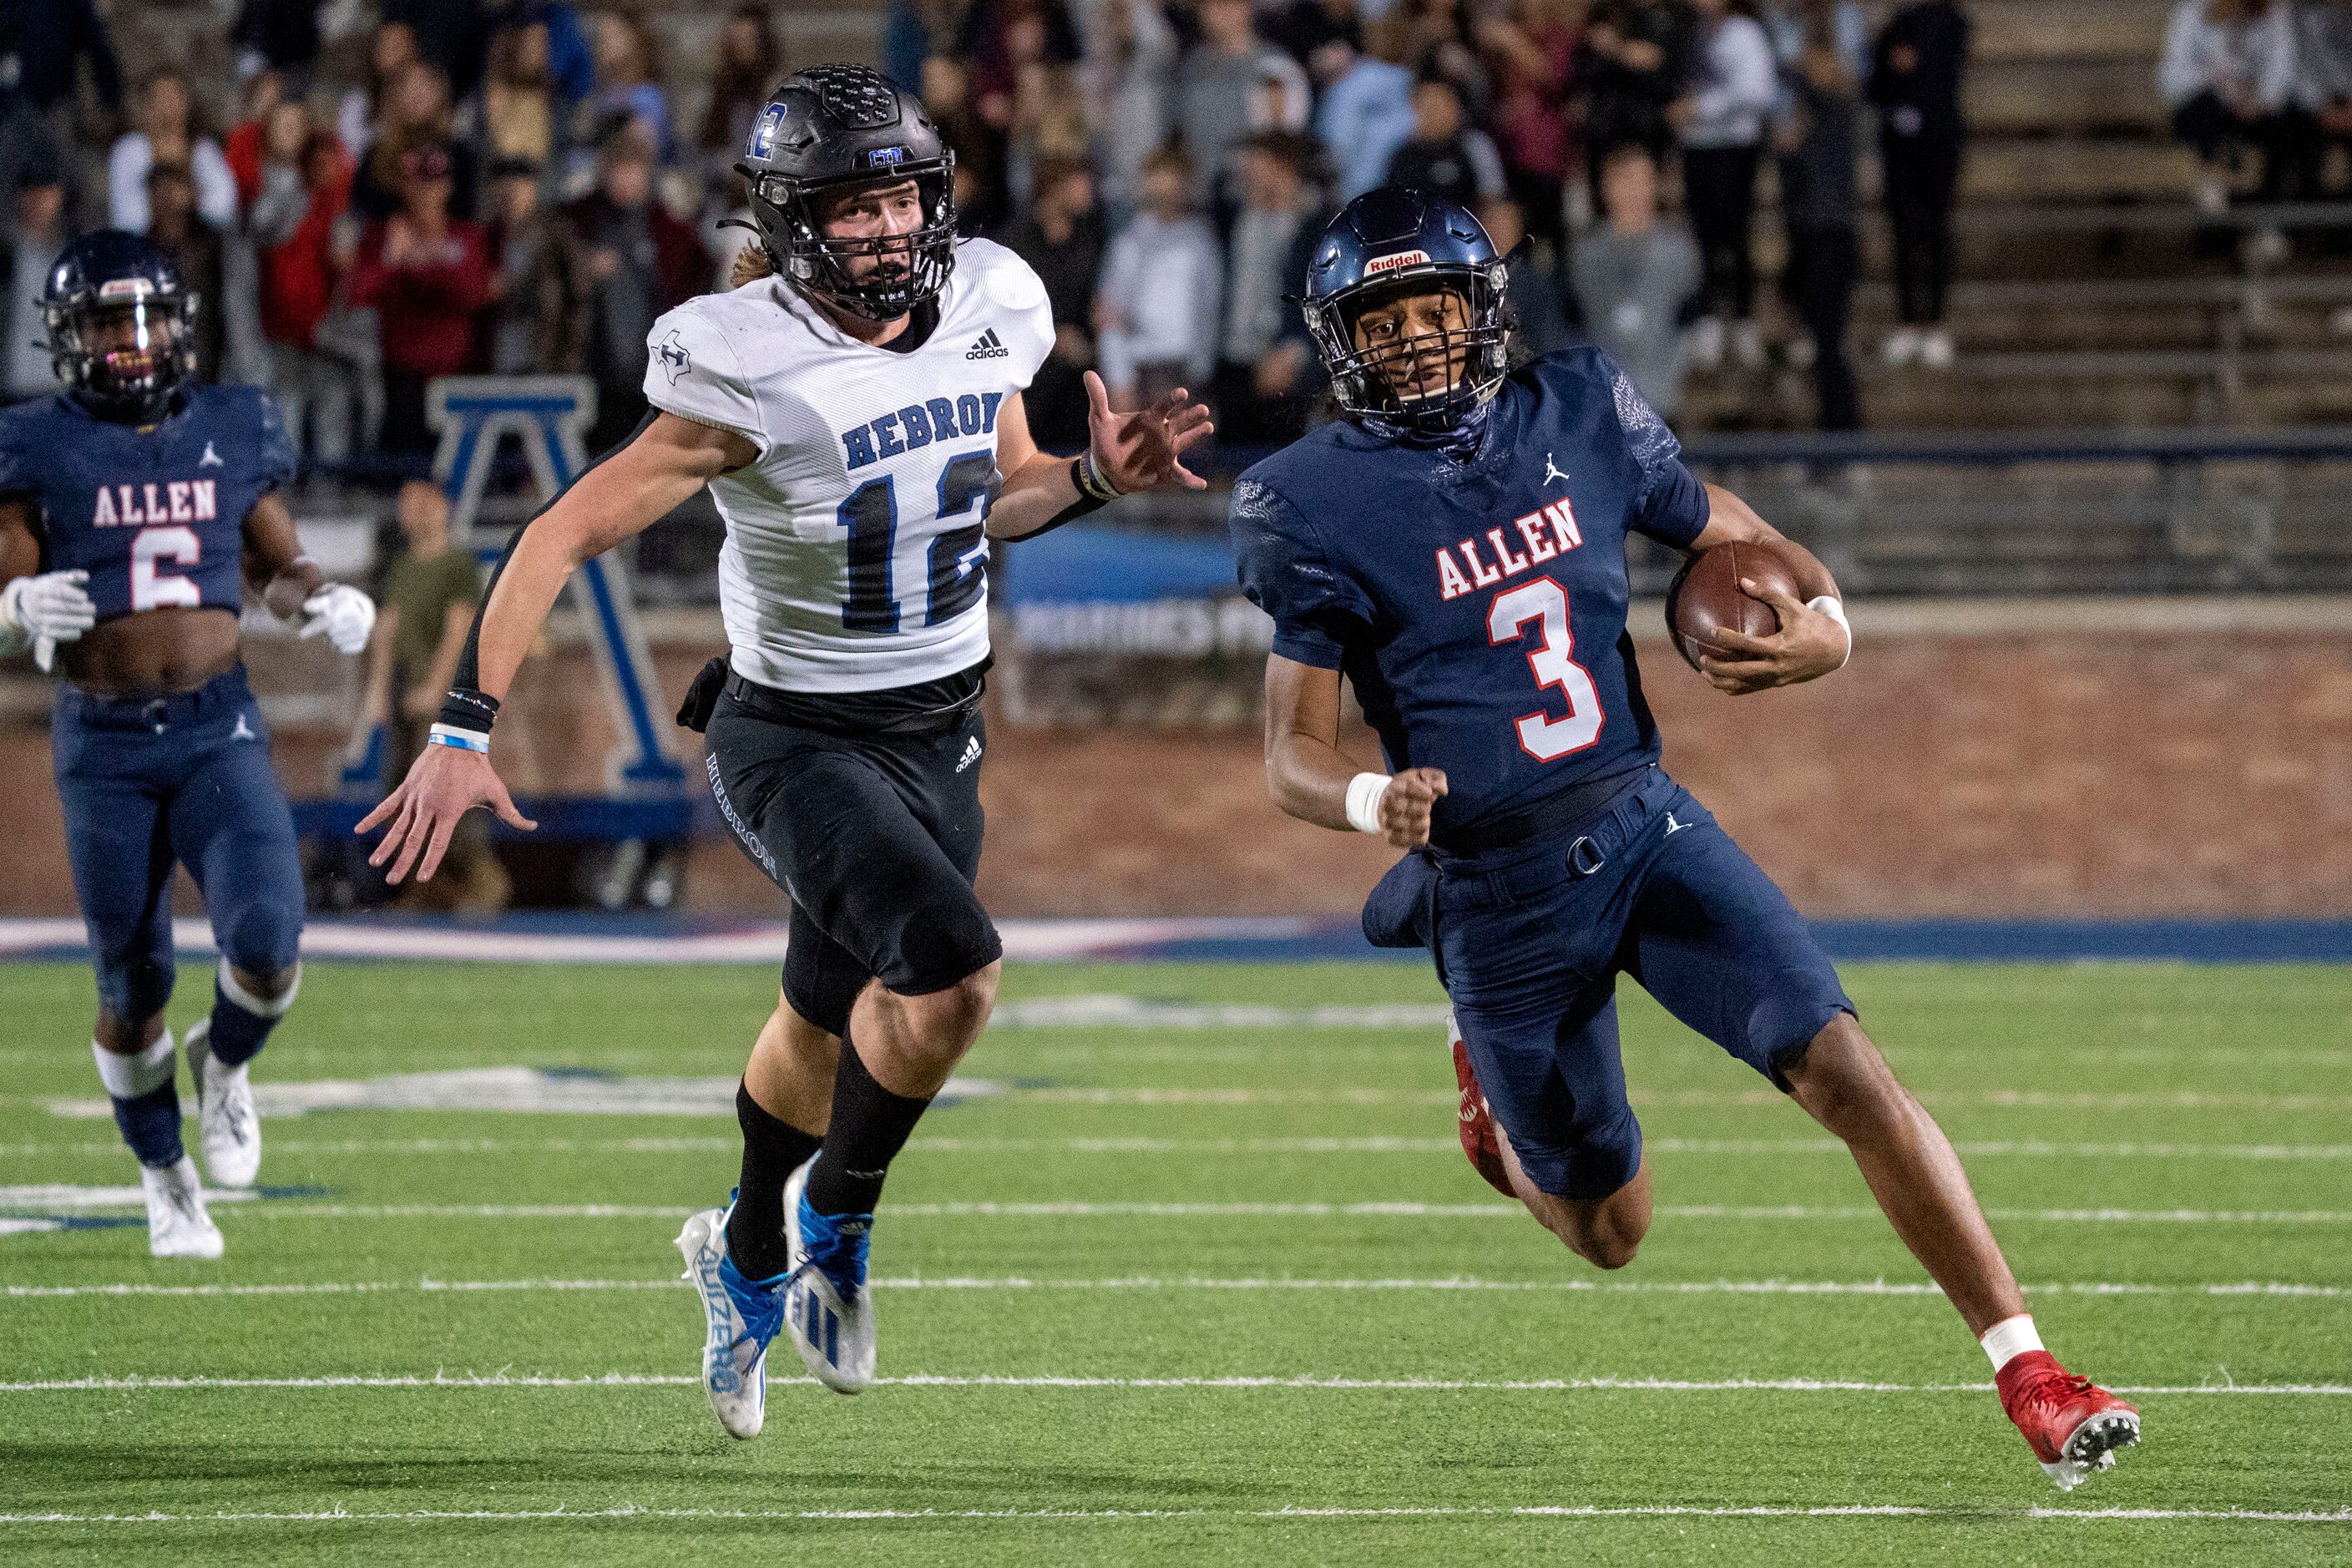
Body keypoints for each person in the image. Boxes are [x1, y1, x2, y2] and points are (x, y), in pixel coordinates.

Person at [1231, 185, 2143, 1494]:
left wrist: (1829, 624)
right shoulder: (1305, 499)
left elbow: (1755, 542)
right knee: (1608, 1230)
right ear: (1340, 341)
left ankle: (2031, 1371)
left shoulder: (1583, 407)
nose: (1421, 339)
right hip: (1495, 891)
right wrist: (1376, 804)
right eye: (1387, 319)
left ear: (1485, 306)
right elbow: (1288, 752)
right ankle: (1487, 1095)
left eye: (1437, 306)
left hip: (1643, 822)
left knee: (1848, 1069)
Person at [357, 64, 1210, 1434]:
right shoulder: (737, 355)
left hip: (941, 721)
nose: (884, 230)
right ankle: (835, 1224)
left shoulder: (991, 299)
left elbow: (1001, 492)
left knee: (822, 1023)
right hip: (793, 732)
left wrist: (1096, 478)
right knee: (953, 973)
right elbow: (557, 530)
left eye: (899, 198)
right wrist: (463, 722)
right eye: (852, 206)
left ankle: (744, 1247)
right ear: (792, 220)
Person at [0, 231, 375, 1258]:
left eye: (147, 320)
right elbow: (3, 596)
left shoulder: (231, 421)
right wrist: (17, 603)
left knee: (267, 940)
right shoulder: (39, 445)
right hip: (105, 744)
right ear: (67, 341)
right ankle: (166, 1176)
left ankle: (228, 1063)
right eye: (108, 325)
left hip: (219, 725)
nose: (131, 343)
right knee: (131, 987)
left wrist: (323, 596)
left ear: (181, 326)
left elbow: (276, 562)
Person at [361, 479, 507, 914]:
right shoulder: (402, 566)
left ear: (444, 507)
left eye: (423, 502)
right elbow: (386, 630)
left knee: (448, 793)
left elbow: (459, 626)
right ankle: (426, 891)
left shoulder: (457, 564)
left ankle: (484, 887)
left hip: (442, 699)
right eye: (407, 504)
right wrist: (378, 691)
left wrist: (436, 688)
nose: (414, 512)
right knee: (402, 793)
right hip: (406, 692)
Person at [556, 127, 707, 453]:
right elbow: (554, 278)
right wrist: (584, 268)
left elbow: (693, 285)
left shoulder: (669, 230)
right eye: (617, 170)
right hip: (594, 366)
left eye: (632, 170)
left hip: (655, 371)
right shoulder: (577, 223)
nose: (624, 180)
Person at [349, 142, 493, 454]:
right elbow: (358, 294)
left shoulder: (466, 236)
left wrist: (430, 260)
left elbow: (473, 294)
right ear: (404, 188)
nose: (426, 194)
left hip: (457, 382)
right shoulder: (386, 234)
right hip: (402, 384)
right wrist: (391, 258)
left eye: (434, 184)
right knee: (398, 483)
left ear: (448, 187)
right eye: (417, 185)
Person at [1674, 0, 1778, 370]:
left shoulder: (1744, 33)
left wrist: (1701, 109)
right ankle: (1709, 322)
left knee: (1733, 234)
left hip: (1734, 148)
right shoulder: (1694, 33)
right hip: (1698, 149)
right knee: (1703, 236)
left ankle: (1743, 320)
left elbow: (1758, 92)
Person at [1569, 142, 1701, 419]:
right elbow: (1577, 323)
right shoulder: (1586, 254)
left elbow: (1691, 323)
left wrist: (1674, 375)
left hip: (1664, 396)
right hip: (1602, 399)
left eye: (1641, 180)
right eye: (1624, 179)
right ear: (1606, 186)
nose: (1633, 191)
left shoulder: (1679, 250)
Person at [1869, 0, 1968, 368]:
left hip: (1938, 144)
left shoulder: (1953, 22)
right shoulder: (1897, 22)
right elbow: (1877, 83)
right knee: (1904, 233)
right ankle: (1909, 320)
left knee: (1934, 232)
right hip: (1899, 148)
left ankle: (1935, 322)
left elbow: (1939, 73)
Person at [1777, 24, 1864, 428]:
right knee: (1817, 343)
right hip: (1809, 238)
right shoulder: (1809, 120)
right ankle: (1833, 430)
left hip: (1833, 239)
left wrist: (1789, 68)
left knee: (1829, 343)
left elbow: (1812, 92)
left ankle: (1843, 431)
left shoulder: (1840, 106)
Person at [1095, 145, 1223, 411]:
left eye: (1172, 178)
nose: (1163, 187)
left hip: (1184, 370)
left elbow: (1210, 308)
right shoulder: (1129, 241)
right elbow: (1110, 315)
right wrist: (1119, 380)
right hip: (1137, 371)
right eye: (1156, 177)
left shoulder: (1201, 240)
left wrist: (1202, 371)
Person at [1216, 131, 1323, 447]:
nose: (1245, 174)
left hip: (1284, 366)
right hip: (1234, 360)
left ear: (1282, 168)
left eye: (1255, 165)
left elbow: (1323, 297)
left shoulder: (1315, 224)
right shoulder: (1237, 217)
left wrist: (1293, 354)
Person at [997, 154, 1106, 451]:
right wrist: (1056, 339)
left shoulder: (1091, 237)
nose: (1089, 189)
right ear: (1056, 187)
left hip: (1081, 377)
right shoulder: (1014, 241)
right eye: (1081, 181)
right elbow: (1001, 314)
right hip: (1031, 382)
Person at [109, 72, 240, 235]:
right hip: (147, 247)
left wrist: (190, 201)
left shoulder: (204, 149)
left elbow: (223, 208)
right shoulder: (129, 150)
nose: (168, 104)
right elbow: (128, 219)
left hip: (202, 245)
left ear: (186, 104)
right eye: (161, 96)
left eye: (174, 96)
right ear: (147, 106)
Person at [4, 157, 73, 404]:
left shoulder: (75, 259)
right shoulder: (7, 255)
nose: (36, 201)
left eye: (45, 193)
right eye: (29, 193)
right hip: (11, 393)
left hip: (61, 391)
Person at [1383, 76, 1509, 210]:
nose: (1432, 113)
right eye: (1425, 106)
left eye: (1438, 105)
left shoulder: (1474, 145)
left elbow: (1493, 199)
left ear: (1456, 108)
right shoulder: (1401, 152)